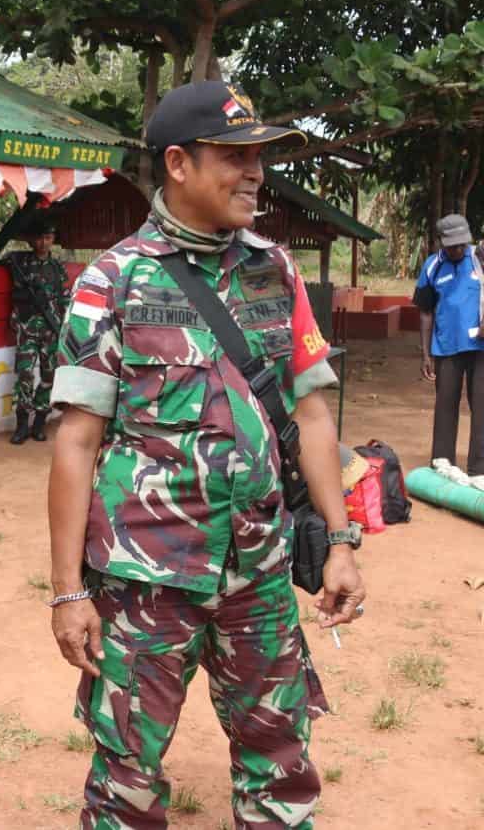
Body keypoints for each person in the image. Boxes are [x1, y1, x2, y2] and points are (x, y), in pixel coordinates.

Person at [46, 80, 366, 829]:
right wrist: (67, 592)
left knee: (280, 758)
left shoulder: (275, 271)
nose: (255, 172)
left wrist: (341, 540)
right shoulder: (111, 282)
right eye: (236, 156)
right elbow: (76, 440)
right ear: (180, 164)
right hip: (145, 575)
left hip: (258, 568)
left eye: (260, 157)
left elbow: (312, 412)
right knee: (126, 769)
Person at [413, 214, 483, 478]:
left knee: (482, 407)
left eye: (461, 244)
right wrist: (425, 352)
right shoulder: (432, 267)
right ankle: (442, 463)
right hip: (446, 347)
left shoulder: (479, 259)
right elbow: (425, 312)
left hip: (481, 348)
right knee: (445, 406)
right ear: (441, 242)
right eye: (452, 245)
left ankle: (479, 469)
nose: (458, 249)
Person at [0, 223, 70, 444]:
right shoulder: (19, 261)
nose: (43, 243)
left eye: (48, 238)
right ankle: (21, 425)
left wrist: (64, 328)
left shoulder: (57, 268)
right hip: (27, 329)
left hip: (51, 330)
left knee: (49, 377)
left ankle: (39, 422)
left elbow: (65, 299)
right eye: (39, 238)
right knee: (25, 375)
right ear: (31, 240)